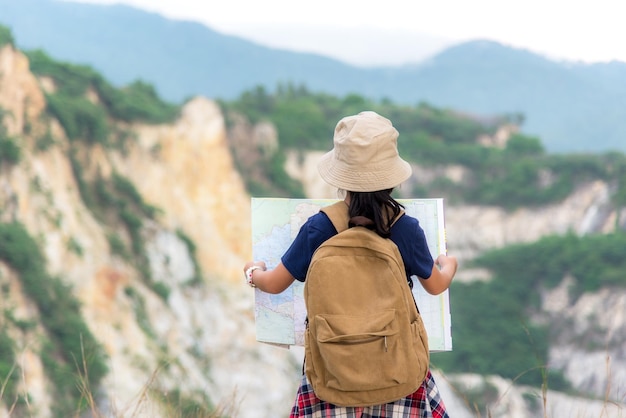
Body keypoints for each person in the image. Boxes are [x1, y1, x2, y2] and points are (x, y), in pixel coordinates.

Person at [243, 111, 458, 417]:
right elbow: (435, 285)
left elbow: (274, 284)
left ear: (341, 178)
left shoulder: (318, 228)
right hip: (399, 375)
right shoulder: (405, 228)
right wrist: (449, 264)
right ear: (392, 178)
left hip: (333, 375)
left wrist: (253, 272)